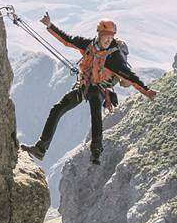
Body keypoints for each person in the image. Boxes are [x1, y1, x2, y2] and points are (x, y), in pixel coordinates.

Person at [20, 14, 155, 166]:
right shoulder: (88, 45)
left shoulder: (114, 57)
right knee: (57, 109)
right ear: (99, 34)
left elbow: (130, 76)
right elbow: (67, 40)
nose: (108, 40)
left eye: (111, 38)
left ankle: (96, 152)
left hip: (99, 89)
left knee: (95, 114)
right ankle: (41, 148)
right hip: (84, 86)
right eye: (106, 37)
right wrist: (50, 26)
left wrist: (146, 90)